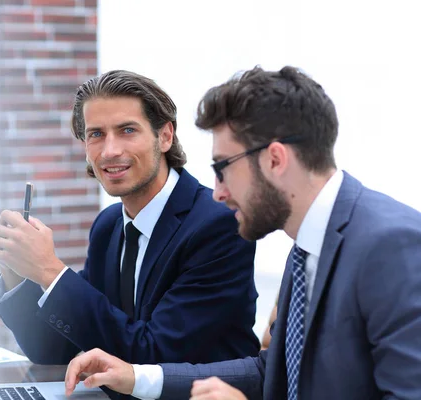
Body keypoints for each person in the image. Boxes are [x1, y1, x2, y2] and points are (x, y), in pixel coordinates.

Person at [64, 66, 421, 400]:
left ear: (275, 160)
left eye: (223, 168)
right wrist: (138, 377)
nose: (217, 192)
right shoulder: (307, 247)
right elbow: (272, 373)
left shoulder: (389, 245)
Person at [0, 70, 260, 368]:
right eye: (96, 134)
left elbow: (154, 355)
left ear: (165, 136)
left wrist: (50, 270)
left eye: (127, 130)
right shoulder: (108, 226)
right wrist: (15, 269)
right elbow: (52, 351)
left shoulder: (217, 225)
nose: (110, 150)